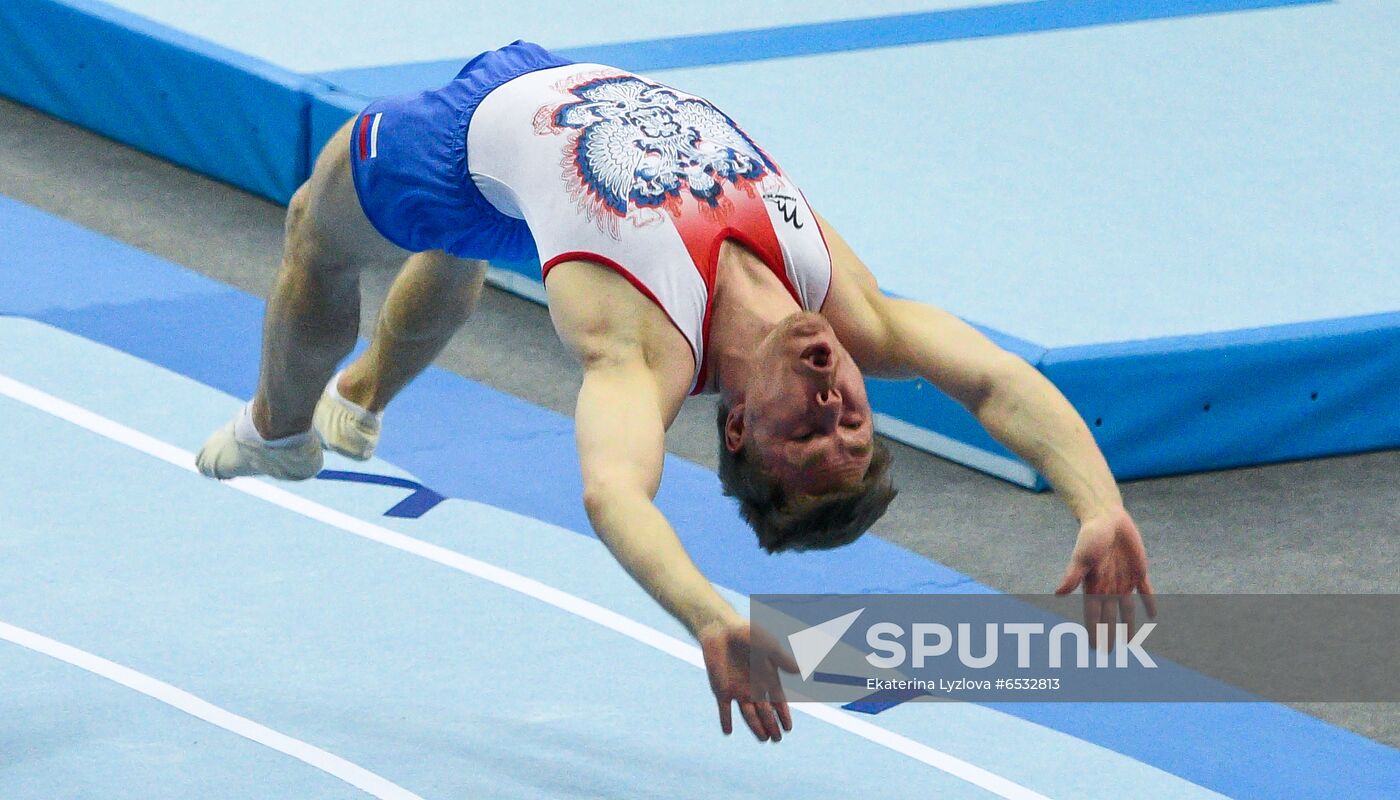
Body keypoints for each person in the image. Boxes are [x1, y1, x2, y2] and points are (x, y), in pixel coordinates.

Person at [196, 40, 1153, 743]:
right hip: (559, 88)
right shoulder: (852, 310)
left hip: (463, 141)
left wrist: (709, 614)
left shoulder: (642, 351)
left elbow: (614, 491)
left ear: (736, 424)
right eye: (852, 416)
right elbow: (993, 380)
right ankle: (363, 393)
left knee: (316, 233)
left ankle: (280, 429)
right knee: (478, 231)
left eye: (807, 432)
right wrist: (1098, 505)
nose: (830, 393)